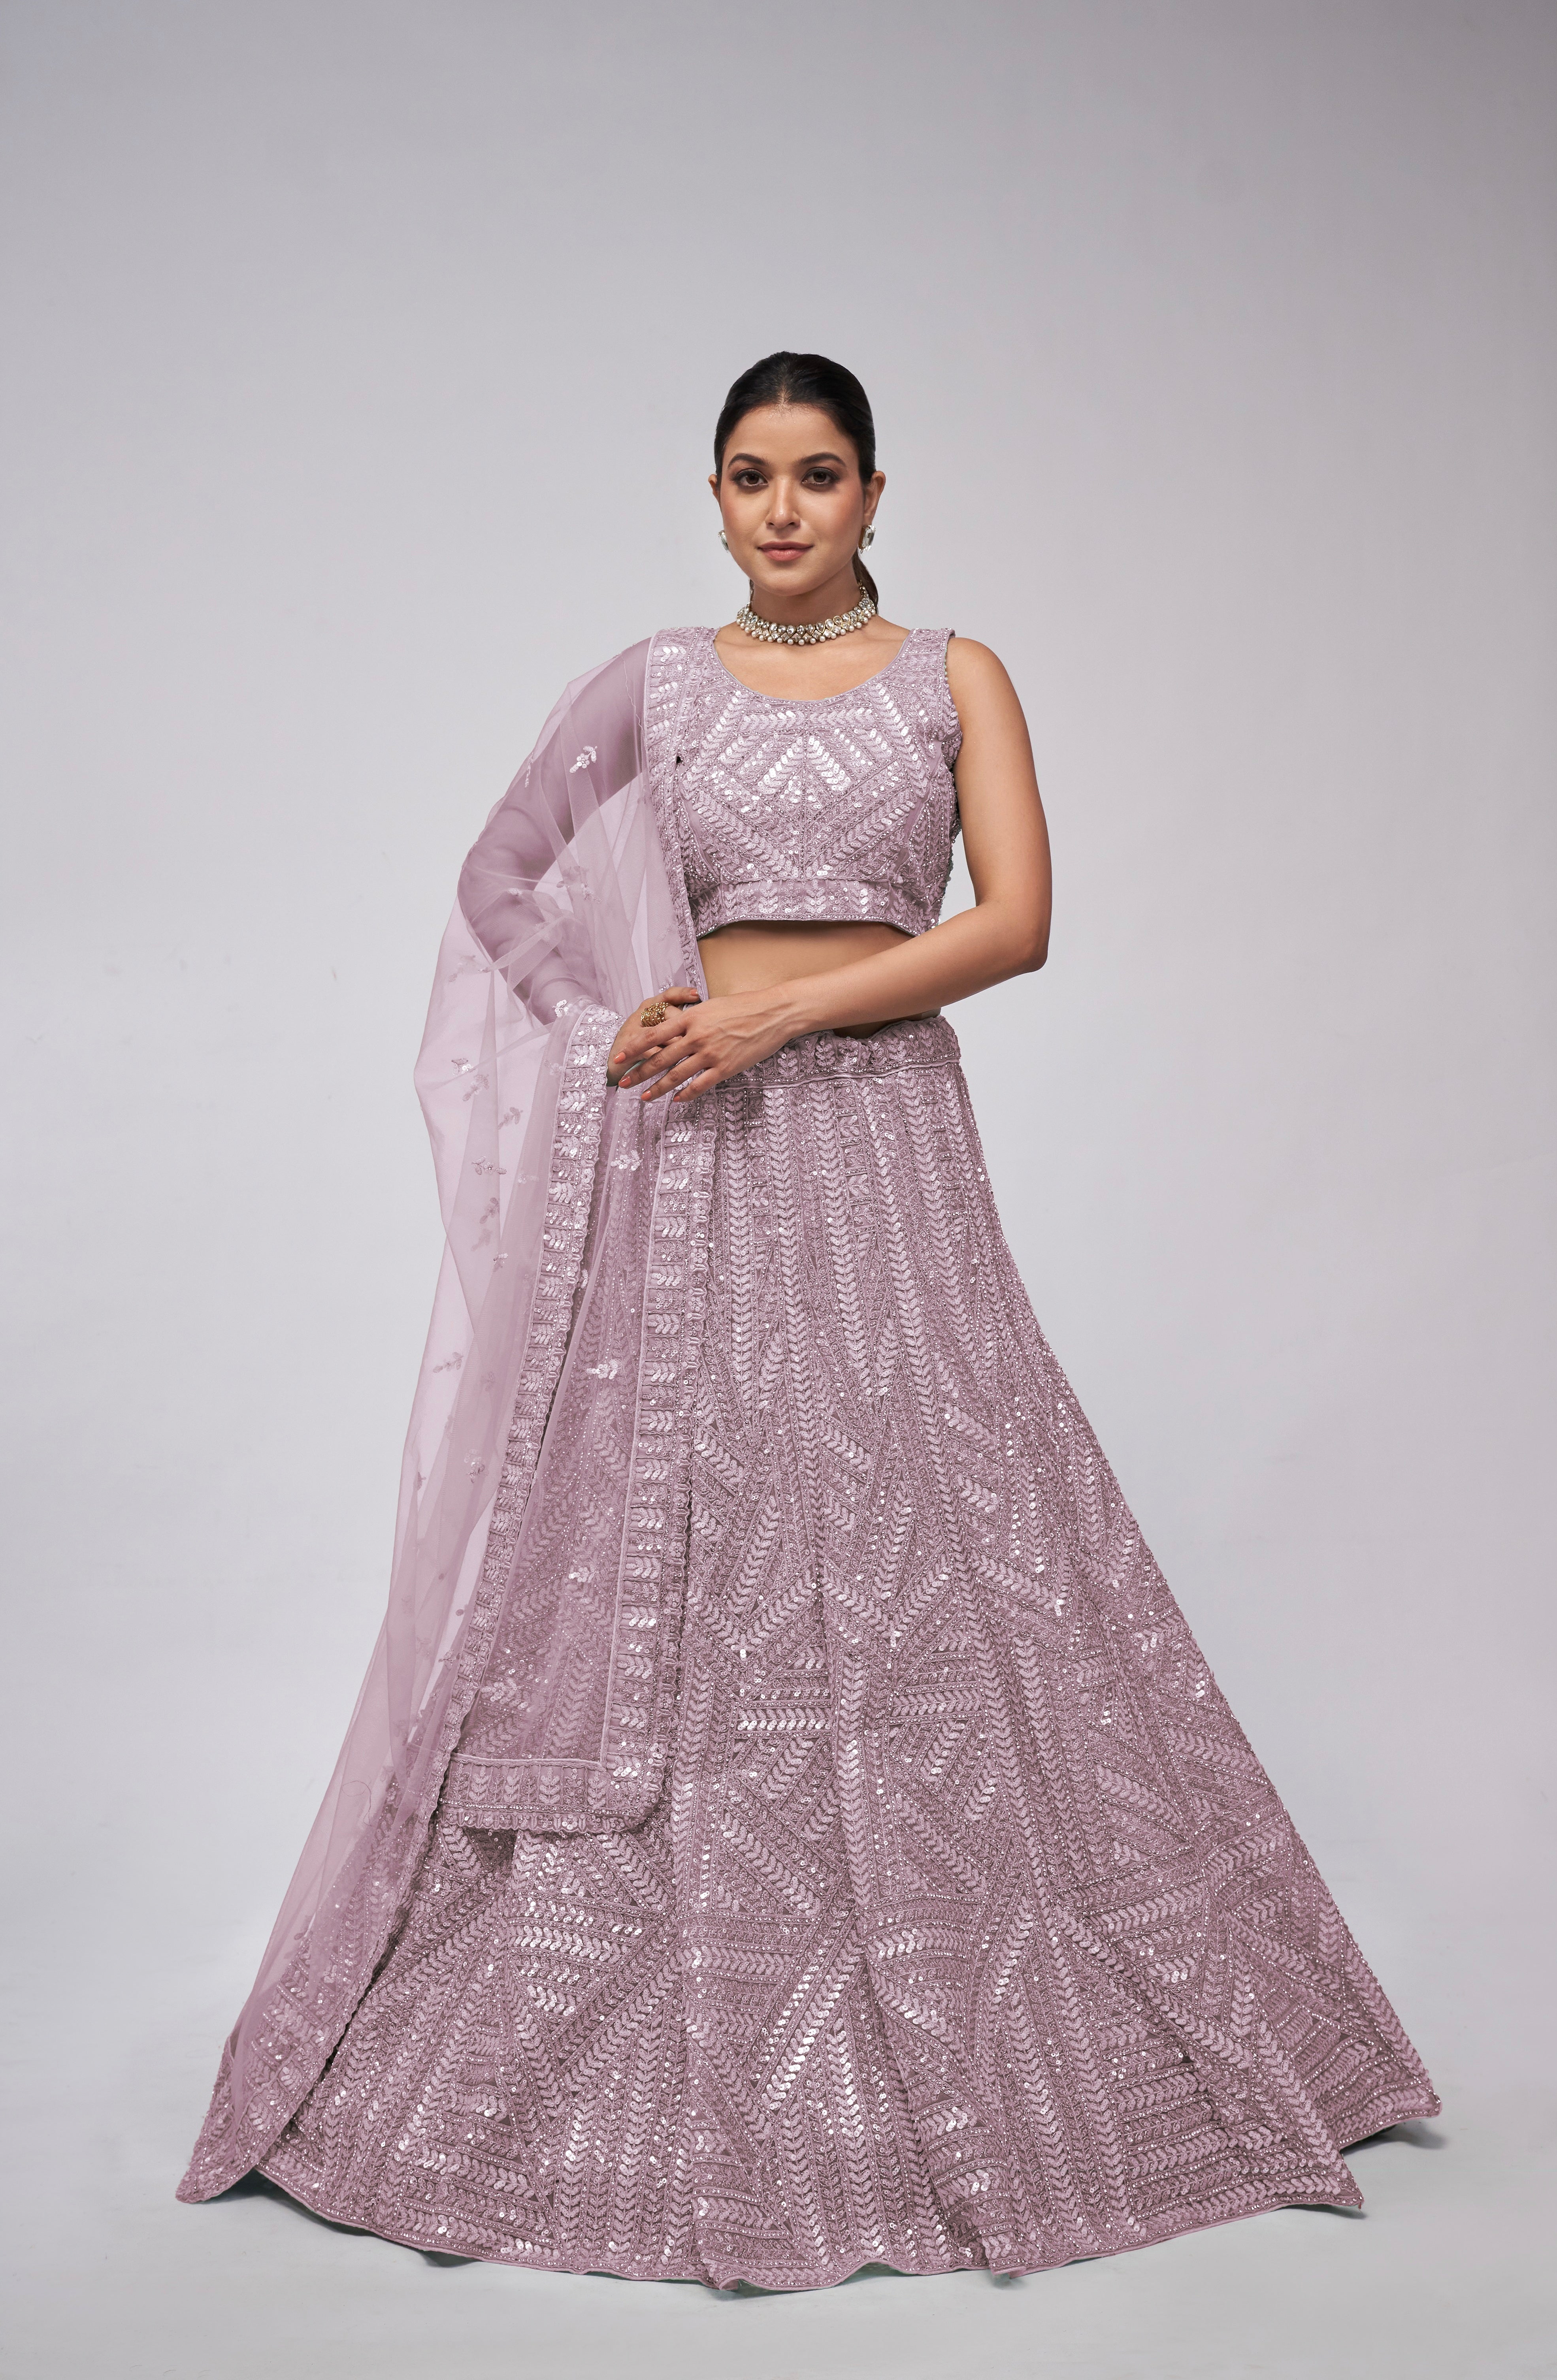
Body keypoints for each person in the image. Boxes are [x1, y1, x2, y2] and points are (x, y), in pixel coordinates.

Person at [180, 352, 1436, 2288]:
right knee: (683, 1539)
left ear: (873, 494)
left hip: (883, 1140)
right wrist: (608, 1020)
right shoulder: (650, 683)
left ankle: (997, 1988)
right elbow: (499, 878)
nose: (783, 509)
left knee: (944, 1520)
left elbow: (1010, 922)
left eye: (819, 474)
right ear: (711, 495)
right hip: (686, 1153)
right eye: (751, 476)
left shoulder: (955, 676)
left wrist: (774, 1012)